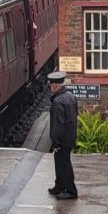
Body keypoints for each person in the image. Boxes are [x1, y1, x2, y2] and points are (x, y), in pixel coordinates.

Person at [47, 71, 78, 199]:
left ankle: (71, 191)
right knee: (59, 162)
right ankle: (59, 186)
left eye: (51, 84)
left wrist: (56, 142)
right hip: (70, 135)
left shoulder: (58, 101)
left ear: (55, 85)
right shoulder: (70, 96)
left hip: (63, 138)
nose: (50, 86)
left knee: (64, 164)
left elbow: (58, 124)